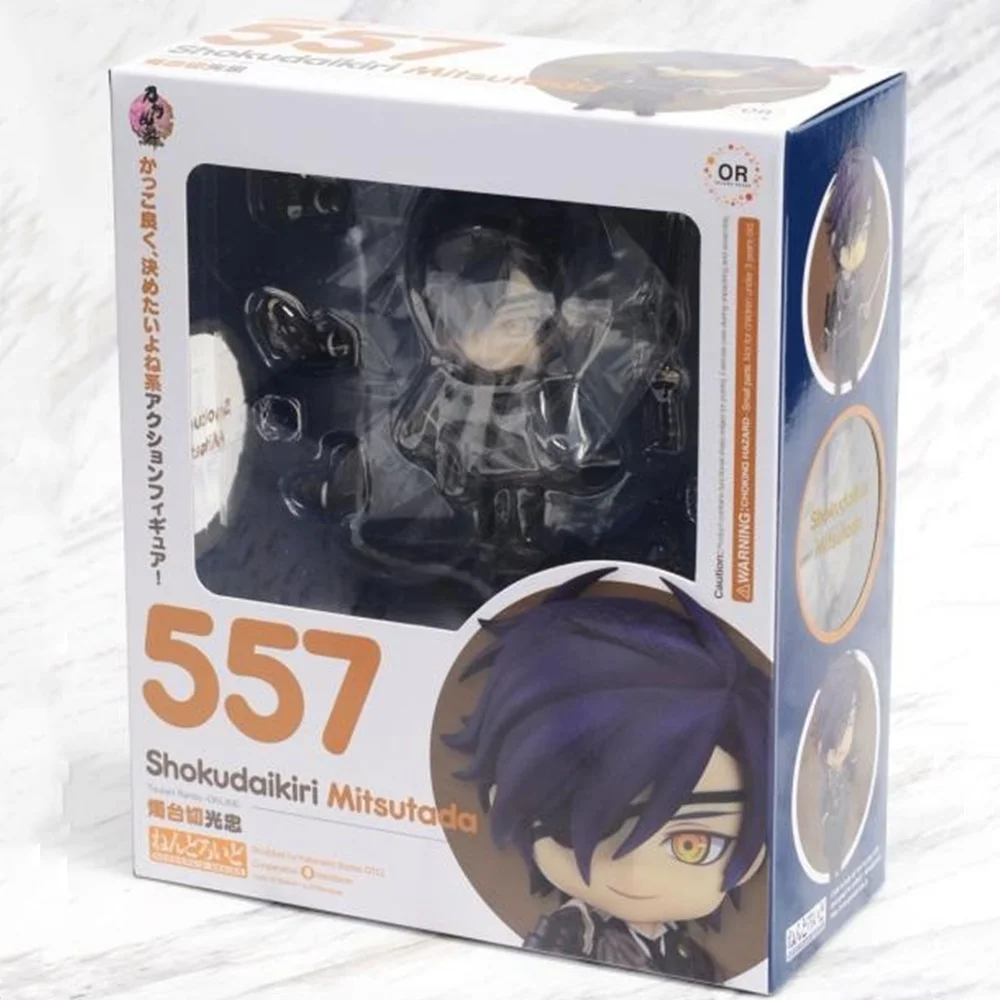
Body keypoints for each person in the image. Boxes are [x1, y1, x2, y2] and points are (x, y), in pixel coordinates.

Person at [444, 567, 770, 983]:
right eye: (591, 827)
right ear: (505, 799)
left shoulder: (679, 947)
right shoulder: (571, 934)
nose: (634, 870)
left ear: (754, 852)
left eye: (692, 845)